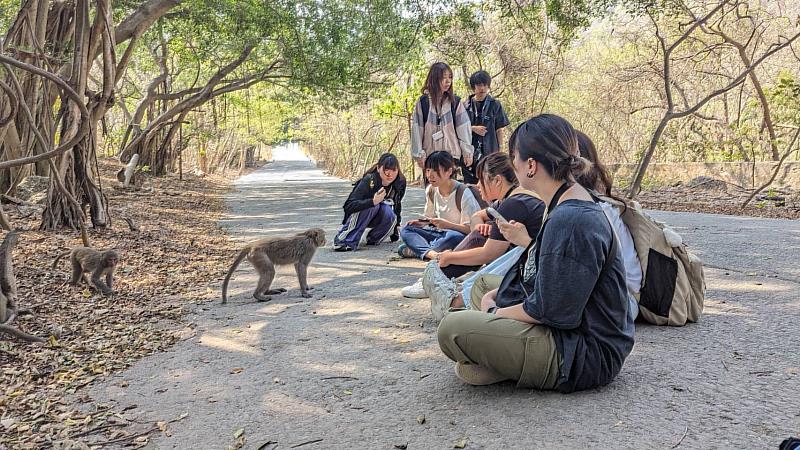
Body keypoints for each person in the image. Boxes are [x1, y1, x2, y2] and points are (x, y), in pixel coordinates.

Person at [437, 114, 635, 393]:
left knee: (452, 328)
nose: (513, 164)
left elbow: (552, 310)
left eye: (514, 157)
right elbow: (554, 273)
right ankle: (503, 357)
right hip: (568, 324)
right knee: (484, 286)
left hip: (582, 352)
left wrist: (496, 312)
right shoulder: (565, 199)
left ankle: (504, 356)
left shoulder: (571, 219)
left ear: (531, 165)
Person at [399, 151, 482, 298]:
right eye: (428, 170)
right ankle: (433, 254)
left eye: (436, 171)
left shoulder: (463, 193)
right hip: (439, 233)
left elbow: (473, 231)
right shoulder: (431, 190)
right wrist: (421, 223)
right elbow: (431, 218)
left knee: (452, 237)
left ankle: (420, 250)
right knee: (407, 229)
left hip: (458, 237)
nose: (430, 175)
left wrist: (448, 224)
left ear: (449, 171)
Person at [410, 62, 474, 179]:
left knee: (452, 194)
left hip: (451, 158)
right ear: (434, 79)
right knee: (432, 195)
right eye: (443, 78)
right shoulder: (423, 102)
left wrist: (467, 152)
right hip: (430, 157)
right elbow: (417, 129)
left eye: (450, 77)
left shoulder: (455, 102)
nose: (447, 81)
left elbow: (463, 128)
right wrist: (419, 154)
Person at [333, 153, 406, 251]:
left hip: (379, 216)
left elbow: (397, 204)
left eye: (394, 170)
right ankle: (344, 240)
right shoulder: (369, 180)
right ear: (378, 168)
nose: (390, 174)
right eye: (386, 169)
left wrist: (396, 227)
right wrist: (372, 201)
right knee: (373, 206)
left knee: (389, 212)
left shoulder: (400, 182)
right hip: (360, 215)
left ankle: (374, 238)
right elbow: (348, 206)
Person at [460, 70, 510, 184]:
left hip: (490, 152)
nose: (482, 88)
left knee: (490, 182)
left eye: (484, 85)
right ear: (473, 87)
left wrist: (500, 150)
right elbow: (457, 129)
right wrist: (473, 128)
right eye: (479, 85)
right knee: (471, 185)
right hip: (470, 153)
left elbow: (499, 129)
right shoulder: (464, 106)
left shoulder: (495, 104)